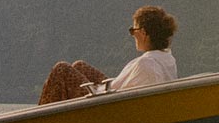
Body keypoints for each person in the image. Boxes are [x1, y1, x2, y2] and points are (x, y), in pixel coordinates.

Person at [38, 6, 178, 104]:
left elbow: (125, 100)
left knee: (61, 69)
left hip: (107, 109)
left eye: (132, 30)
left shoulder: (146, 65)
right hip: (111, 98)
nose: (132, 35)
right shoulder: (167, 59)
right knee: (79, 66)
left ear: (143, 33)